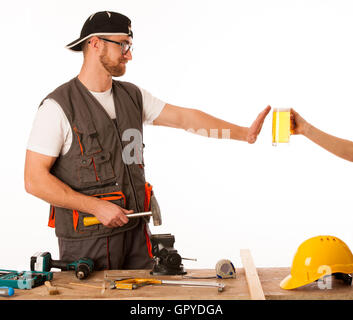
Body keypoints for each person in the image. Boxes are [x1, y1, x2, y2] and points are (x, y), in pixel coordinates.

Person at [24, 11, 271, 270]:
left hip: (137, 237)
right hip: (87, 244)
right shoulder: (57, 108)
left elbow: (186, 118)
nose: (129, 54)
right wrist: (95, 207)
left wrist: (245, 134)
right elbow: (34, 180)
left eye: (129, 46)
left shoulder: (133, 97)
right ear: (95, 43)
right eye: (123, 45)